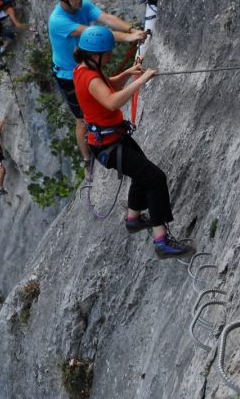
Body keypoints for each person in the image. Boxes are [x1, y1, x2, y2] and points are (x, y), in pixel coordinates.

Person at [72, 26, 195, 259]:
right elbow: (111, 101)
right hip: (109, 145)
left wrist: (130, 72)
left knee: (143, 174)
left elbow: (109, 85)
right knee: (154, 178)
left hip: (111, 139)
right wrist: (142, 80)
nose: (109, 56)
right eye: (107, 52)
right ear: (95, 54)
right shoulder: (89, 76)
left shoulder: (84, 69)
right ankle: (162, 241)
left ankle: (134, 219)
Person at [49, 0, 147, 163]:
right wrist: (128, 37)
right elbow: (95, 33)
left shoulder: (82, 5)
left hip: (87, 67)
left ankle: (100, 140)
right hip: (68, 74)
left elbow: (107, 18)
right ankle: (87, 158)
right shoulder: (57, 20)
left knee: (97, 103)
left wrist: (131, 30)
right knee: (82, 118)